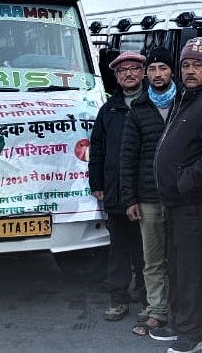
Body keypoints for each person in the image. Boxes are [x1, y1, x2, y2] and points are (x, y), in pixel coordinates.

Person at [153, 37, 202, 353]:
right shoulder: (189, 96)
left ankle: (191, 334)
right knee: (185, 266)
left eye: (198, 65)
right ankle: (196, 321)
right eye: (186, 64)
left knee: (190, 269)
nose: (190, 70)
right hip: (181, 201)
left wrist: (185, 180)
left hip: (196, 201)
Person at [121, 48, 178, 336]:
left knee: (182, 259)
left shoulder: (185, 102)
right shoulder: (140, 108)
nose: (157, 74)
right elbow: (128, 156)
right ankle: (157, 311)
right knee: (152, 260)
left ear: (172, 71)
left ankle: (183, 310)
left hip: (181, 196)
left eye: (162, 68)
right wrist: (130, 198)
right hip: (148, 198)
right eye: (152, 69)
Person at [90, 50, 147, 322]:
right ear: (116, 76)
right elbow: (97, 148)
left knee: (146, 250)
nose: (128, 74)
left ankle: (148, 300)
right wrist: (97, 182)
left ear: (143, 73)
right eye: (122, 70)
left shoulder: (151, 104)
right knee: (119, 249)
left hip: (145, 190)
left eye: (134, 68)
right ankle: (118, 300)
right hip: (114, 190)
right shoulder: (108, 110)